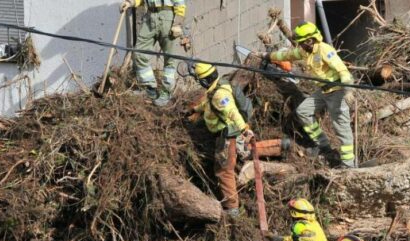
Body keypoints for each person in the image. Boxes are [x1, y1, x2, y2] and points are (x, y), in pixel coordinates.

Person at [257, 22, 357, 168]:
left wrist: (348, 91)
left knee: (341, 128)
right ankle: (323, 145)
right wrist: (267, 56)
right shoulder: (305, 51)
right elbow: (287, 55)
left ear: (310, 40)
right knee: (303, 112)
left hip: (338, 91)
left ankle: (348, 165)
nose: (299, 46)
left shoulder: (324, 50)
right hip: (323, 91)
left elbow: (343, 71)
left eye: (301, 43)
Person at [187, 62, 254, 218]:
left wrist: (244, 129)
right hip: (230, 133)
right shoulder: (217, 88)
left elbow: (232, 112)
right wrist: (196, 109)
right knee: (245, 151)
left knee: (224, 171)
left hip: (227, 136)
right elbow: (209, 104)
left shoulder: (219, 95)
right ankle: (280, 146)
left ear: (204, 80)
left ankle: (232, 208)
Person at [121, 0, 187, 106]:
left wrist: (178, 23)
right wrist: (130, 2)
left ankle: (166, 91)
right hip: (150, 15)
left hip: (167, 16)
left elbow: (180, 3)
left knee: (169, 57)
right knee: (138, 52)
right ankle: (150, 89)